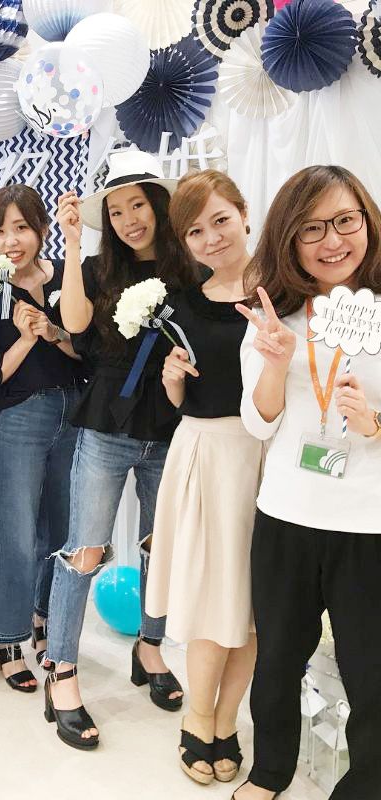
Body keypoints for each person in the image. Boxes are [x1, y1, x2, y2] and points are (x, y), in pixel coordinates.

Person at [233, 167, 381, 800]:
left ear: (368, 220)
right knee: (276, 660)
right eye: (312, 229)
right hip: (287, 514)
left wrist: (374, 423)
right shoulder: (275, 317)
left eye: (345, 220)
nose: (333, 241)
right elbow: (258, 424)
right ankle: (269, 773)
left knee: (373, 674)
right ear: (289, 239)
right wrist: (274, 364)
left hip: (368, 523)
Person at [46, 150, 199, 750]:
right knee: (83, 549)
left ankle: (150, 648)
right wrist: (70, 243)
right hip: (107, 422)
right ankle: (62, 671)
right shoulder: (97, 267)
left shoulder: (190, 268)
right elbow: (76, 324)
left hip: (173, 421)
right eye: (115, 210)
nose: (129, 219)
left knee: (161, 545)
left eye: (138, 204)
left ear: (158, 206)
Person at [144, 170, 262, 785]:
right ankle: (198, 717)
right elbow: (180, 402)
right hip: (207, 456)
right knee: (215, 596)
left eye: (220, 220)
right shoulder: (181, 305)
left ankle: (228, 720)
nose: (212, 238)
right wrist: (171, 382)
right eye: (195, 231)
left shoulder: (284, 294)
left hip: (268, 460)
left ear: (244, 214)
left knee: (255, 603)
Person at [0, 184, 82, 691]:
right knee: (15, 533)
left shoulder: (68, 277)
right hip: (18, 419)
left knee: (61, 531)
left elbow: (90, 355)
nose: (10, 241)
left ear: (42, 229)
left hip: (73, 414)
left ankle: (41, 616)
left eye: (21, 228)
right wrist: (27, 339)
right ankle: (7, 639)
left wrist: (53, 332)